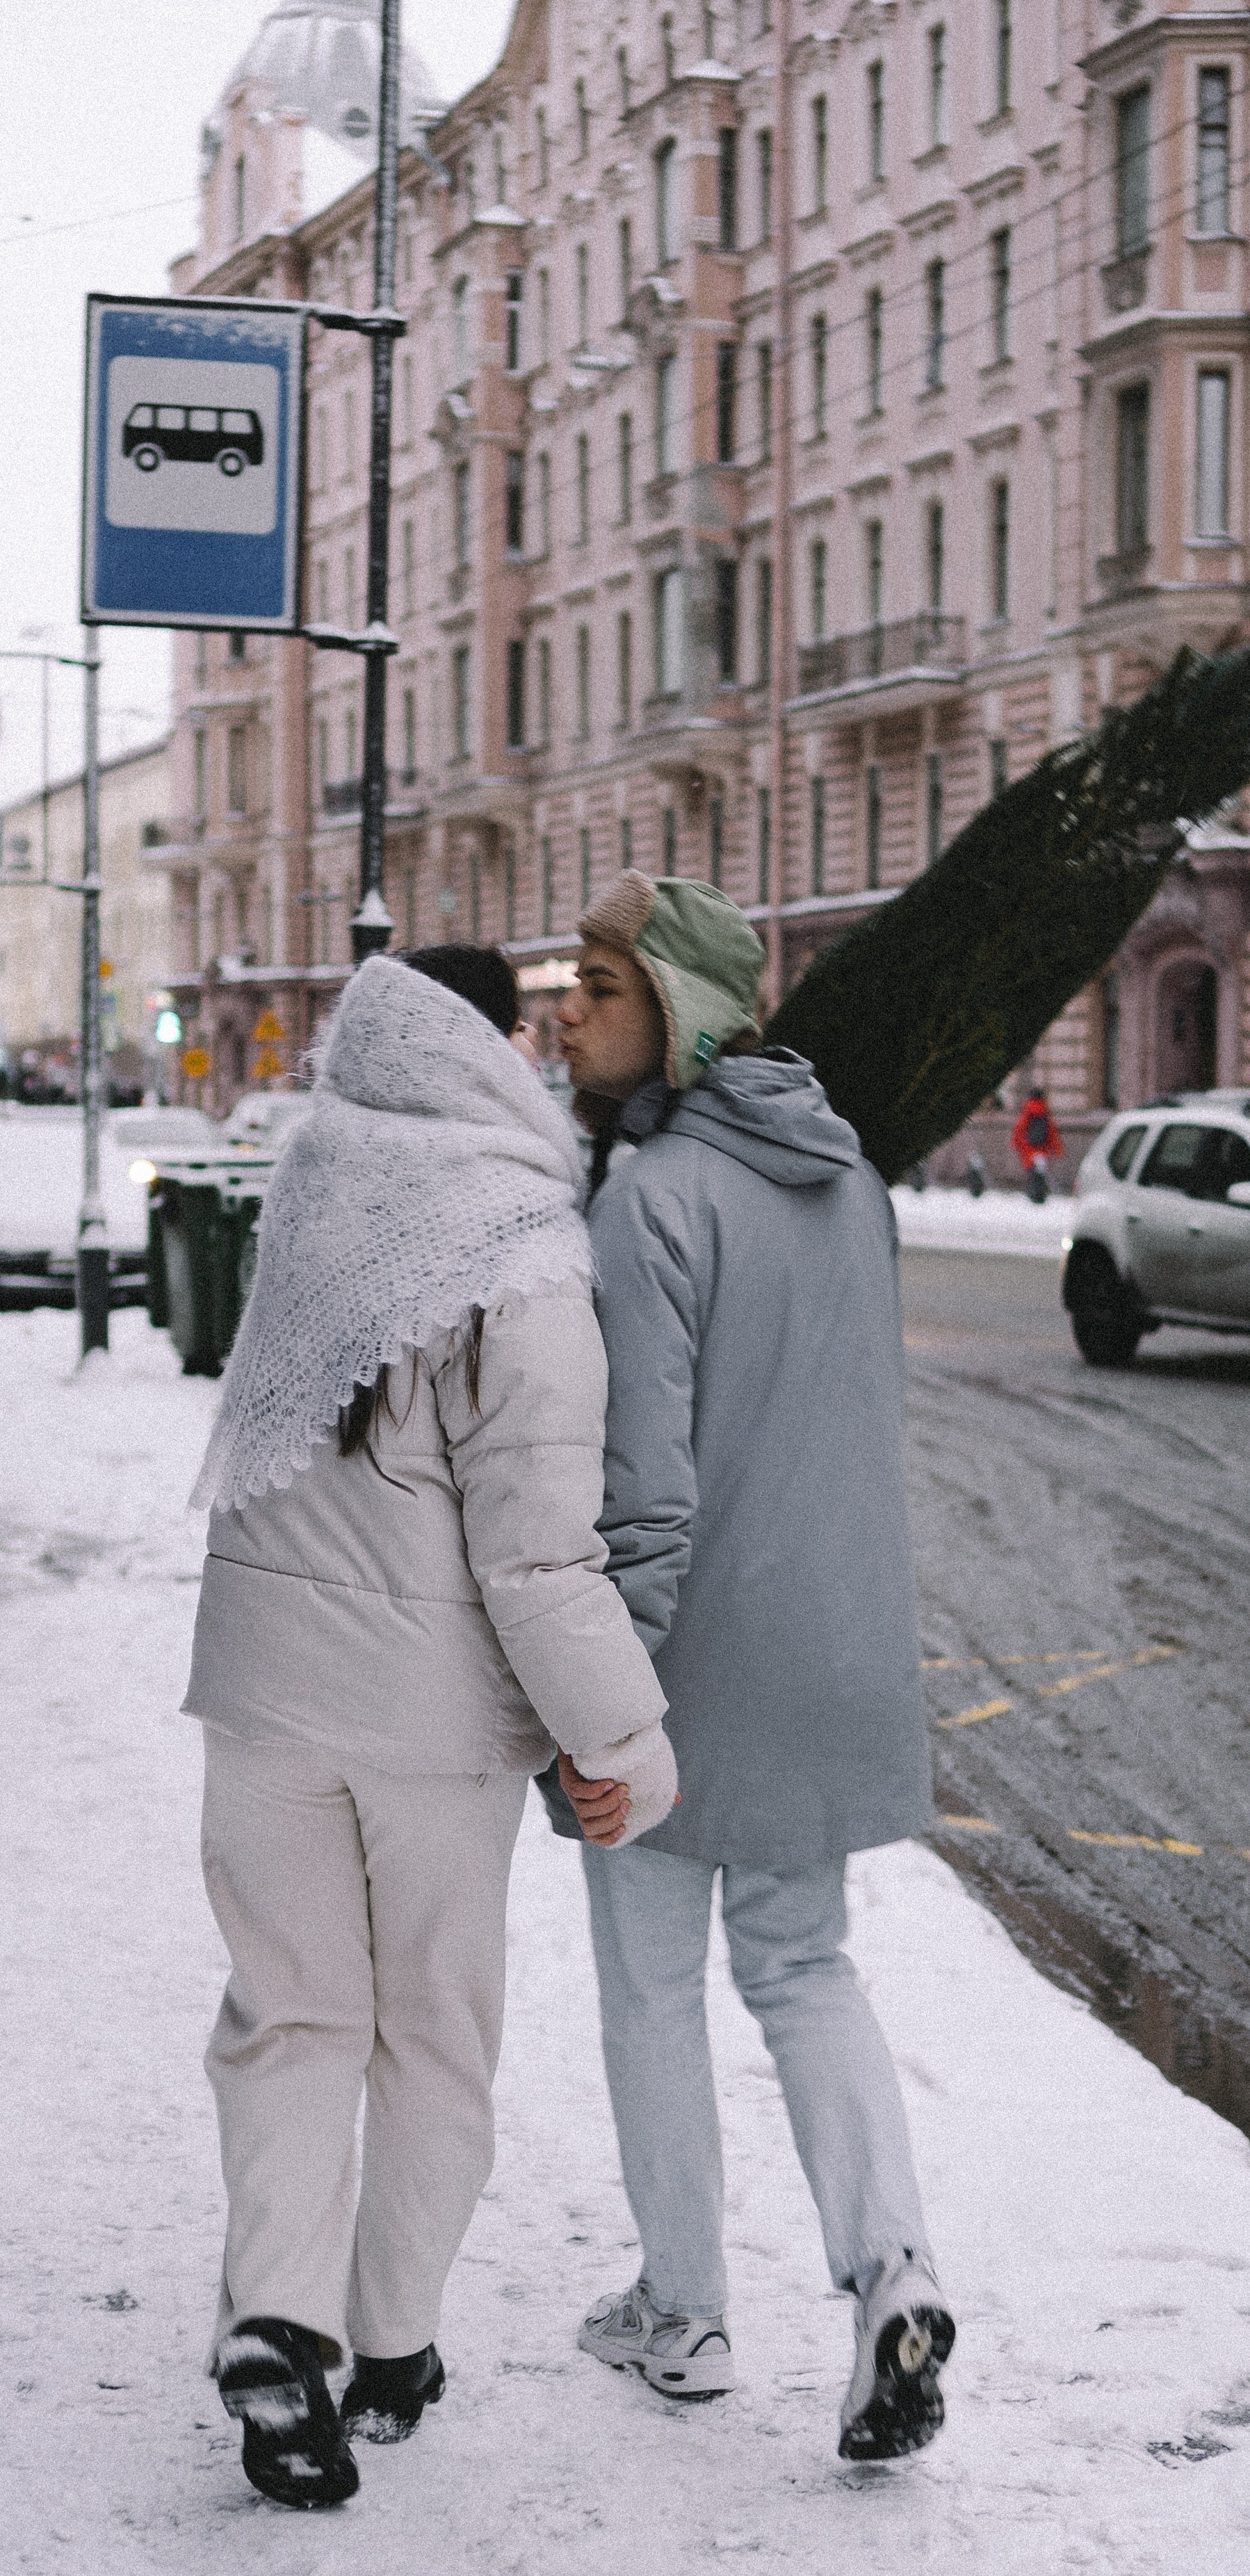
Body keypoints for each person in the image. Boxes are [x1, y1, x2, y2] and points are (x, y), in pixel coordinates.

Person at [182, 944, 676, 2511]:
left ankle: (277, 2323)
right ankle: (388, 2346)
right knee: (430, 2036)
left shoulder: (307, 1192)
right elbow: (536, 1550)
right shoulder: (521, 1244)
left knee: (288, 2017)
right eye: (520, 1026)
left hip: (261, 1690)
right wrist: (625, 1740)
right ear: (478, 1053)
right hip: (428, 1724)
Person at [544, 871, 955, 2461]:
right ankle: (895, 2271)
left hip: (689, 1661)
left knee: (652, 1985)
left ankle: (686, 2310)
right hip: (838, 1647)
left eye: (601, 980)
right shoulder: (852, 1182)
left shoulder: (649, 1198)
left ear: (683, 1017)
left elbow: (641, 1488)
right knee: (802, 1969)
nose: (569, 1006)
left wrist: (603, 1695)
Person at [1011, 1084, 1064, 1201]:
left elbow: (1019, 1129)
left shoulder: (1026, 1112)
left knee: (1031, 1174)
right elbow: (1052, 1132)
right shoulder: (1045, 1112)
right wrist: (1058, 1149)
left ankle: (1032, 1196)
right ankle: (1041, 1196)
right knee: (1041, 1174)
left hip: (1028, 1150)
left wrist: (1015, 1144)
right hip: (1042, 1149)